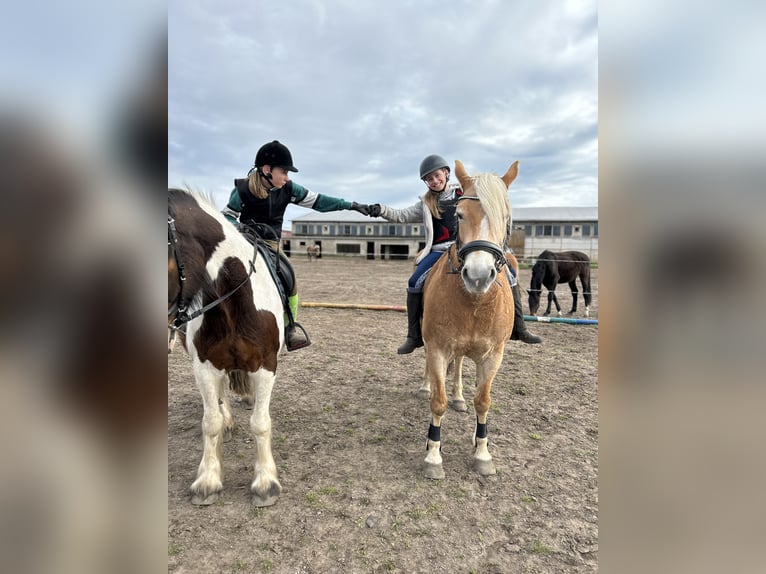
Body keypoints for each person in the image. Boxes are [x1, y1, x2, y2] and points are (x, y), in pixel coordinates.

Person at [367, 154, 542, 354]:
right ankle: (413, 335)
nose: (434, 181)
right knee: (414, 281)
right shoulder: (425, 203)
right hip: (439, 250)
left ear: (447, 174)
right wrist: (379, 209)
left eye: (437, 176)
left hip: (471, 245)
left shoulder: (466, 192)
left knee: (509, 273)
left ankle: (520, 328)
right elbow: (400, 216)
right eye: (429, 179)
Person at [223, 140, 371, 351]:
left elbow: (320, 201)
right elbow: (227, 217)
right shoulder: (243, 189)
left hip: (270, 244)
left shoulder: (290, 189)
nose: (287, 177)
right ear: (267, 170)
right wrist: (239, 228)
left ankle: (289, 326)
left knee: (289, 277)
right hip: (244, 242)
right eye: (283, 171)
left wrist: (351, 205)